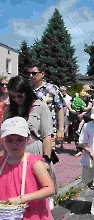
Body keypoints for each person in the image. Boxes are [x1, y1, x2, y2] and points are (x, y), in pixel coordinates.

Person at [2, 75, 57, 210]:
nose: (16, 99)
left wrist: (46, 159)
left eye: (19, 96)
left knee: (37, 197)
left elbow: (47, 136)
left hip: (35, 153)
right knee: (17, 193)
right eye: (13, 96)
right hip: (14, 157)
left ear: (27, 91)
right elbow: (4, 136)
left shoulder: (40, 107)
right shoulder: (9, 110)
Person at [0, 117, 58, 220]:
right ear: (3, 141)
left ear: (27, 140)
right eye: (9, 140)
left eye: (19, 140)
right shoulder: (2, 162)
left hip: (31, 219)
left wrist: (21, 199)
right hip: (6, 219)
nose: (14, 144)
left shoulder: (34, 162)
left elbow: (50, 188)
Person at [28, 64, 65, 148]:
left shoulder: (52, 89)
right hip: (32, 131)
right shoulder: (28, 90)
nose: (31, 76)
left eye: (34, 73)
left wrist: (61, 129)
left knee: (47, 158)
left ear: (42, 74)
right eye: (29, 73)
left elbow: (60, 108)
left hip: (48, 131)